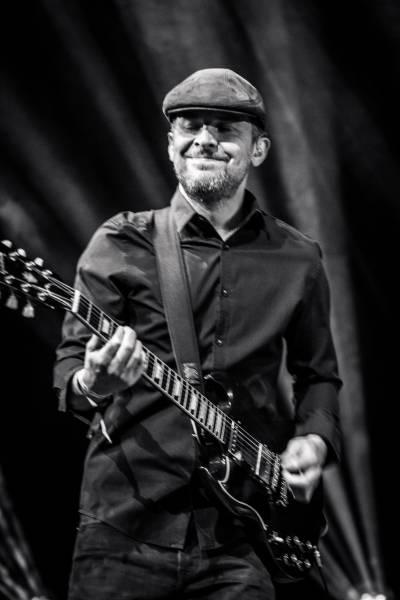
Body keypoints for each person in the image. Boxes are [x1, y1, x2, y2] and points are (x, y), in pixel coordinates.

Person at [53, 68, 342, 600]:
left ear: (258, 149)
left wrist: (313, 440)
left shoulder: (299, 257)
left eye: (225, 127)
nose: (204, 139)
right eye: (190, 126)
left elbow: (319, 375)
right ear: (171, 145)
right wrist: (94, 382)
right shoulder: (121, 242)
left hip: (243, 537)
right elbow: (70, 372)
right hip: (124, 528)